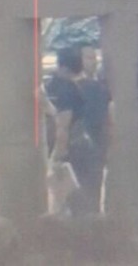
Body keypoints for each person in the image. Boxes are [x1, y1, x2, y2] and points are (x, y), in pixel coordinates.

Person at [44, 47, 87, 215]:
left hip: (49, 144)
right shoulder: (70, 89)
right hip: (69, 148)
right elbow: (64, 125)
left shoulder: (49, 85)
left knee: (57, 197)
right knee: (66, 199)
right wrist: (60, 154)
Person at [72, 50, 112, 214]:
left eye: (95, 58)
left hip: (97, 143)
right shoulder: (75, 86)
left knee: (94, 186)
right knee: (77, 186)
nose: (93, 62)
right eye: (89, 58)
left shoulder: (100, 87)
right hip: (78, 145)